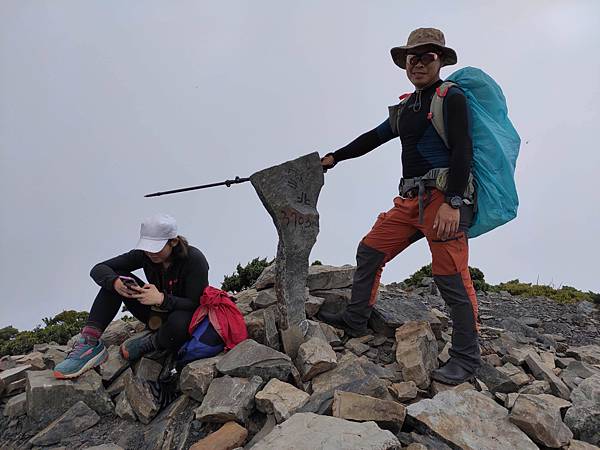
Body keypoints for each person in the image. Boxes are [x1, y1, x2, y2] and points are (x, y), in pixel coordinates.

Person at [318, 28, 481, 385]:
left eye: (427, 56)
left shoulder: (450, 96)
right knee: (370, 250)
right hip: (411, 201)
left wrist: (454, 202)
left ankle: (467, 358)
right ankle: (356, 320)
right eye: (413, 58)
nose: (419, 63)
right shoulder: (407, 107)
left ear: (440, 60)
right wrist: (335, 157)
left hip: (443, 199)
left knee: (451, 278)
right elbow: (372, 138)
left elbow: (463, 148)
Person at [53, 213, 222, 379]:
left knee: (179, 322)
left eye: (156, 248)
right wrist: (115, 283)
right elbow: (98, 269)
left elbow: (196, 304)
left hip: (183, 317)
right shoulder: (145, 255)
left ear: (173, 242)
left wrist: (162, 299)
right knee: (116, 277)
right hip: (154, 312)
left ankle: (152, 342)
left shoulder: (194, 259)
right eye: (147, 247)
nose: (150, 253)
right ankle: (89, 342)